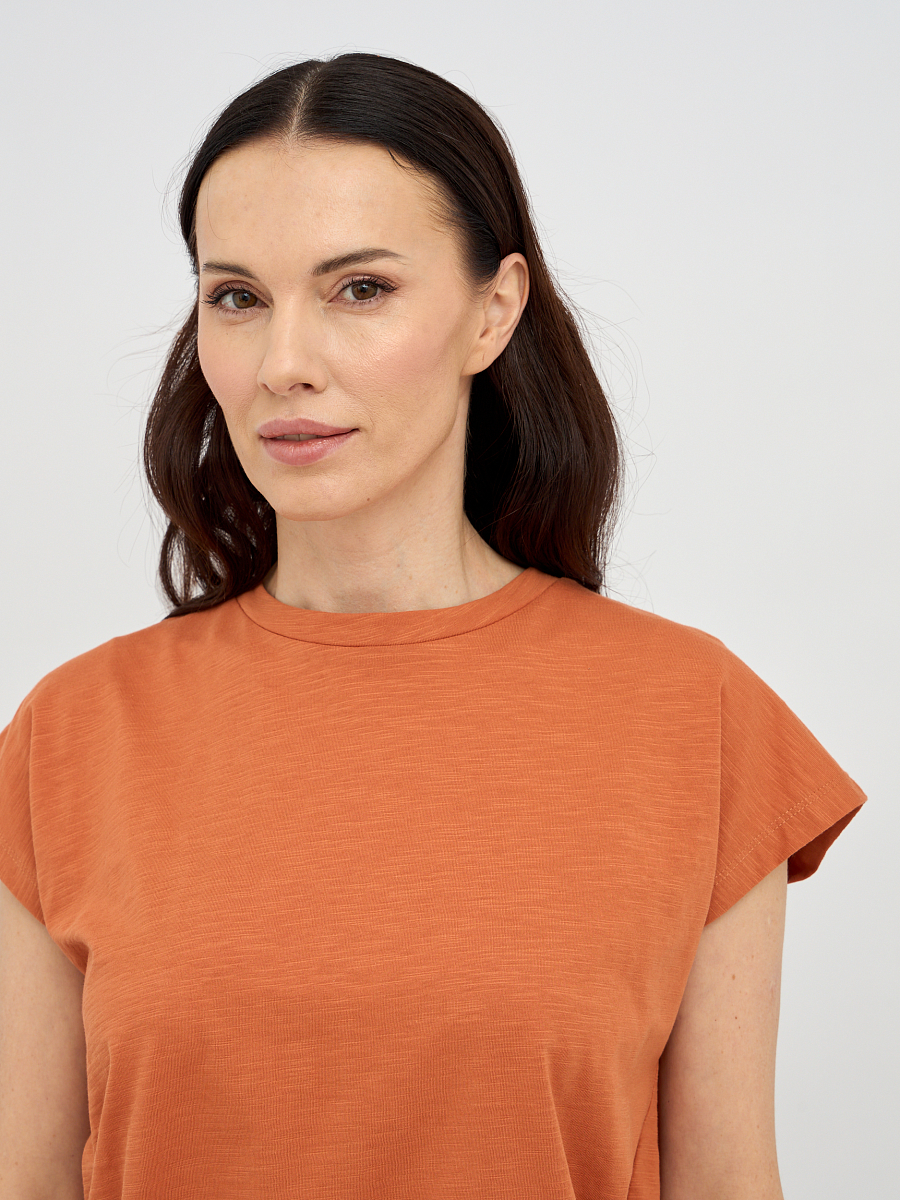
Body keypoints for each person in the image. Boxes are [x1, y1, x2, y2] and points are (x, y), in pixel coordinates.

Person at [0, 52, 866, 1200]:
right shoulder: (71, 737)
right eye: (238, 297)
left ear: (492, 311)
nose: (284, 365)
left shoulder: (694, 719)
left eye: (360, 289)